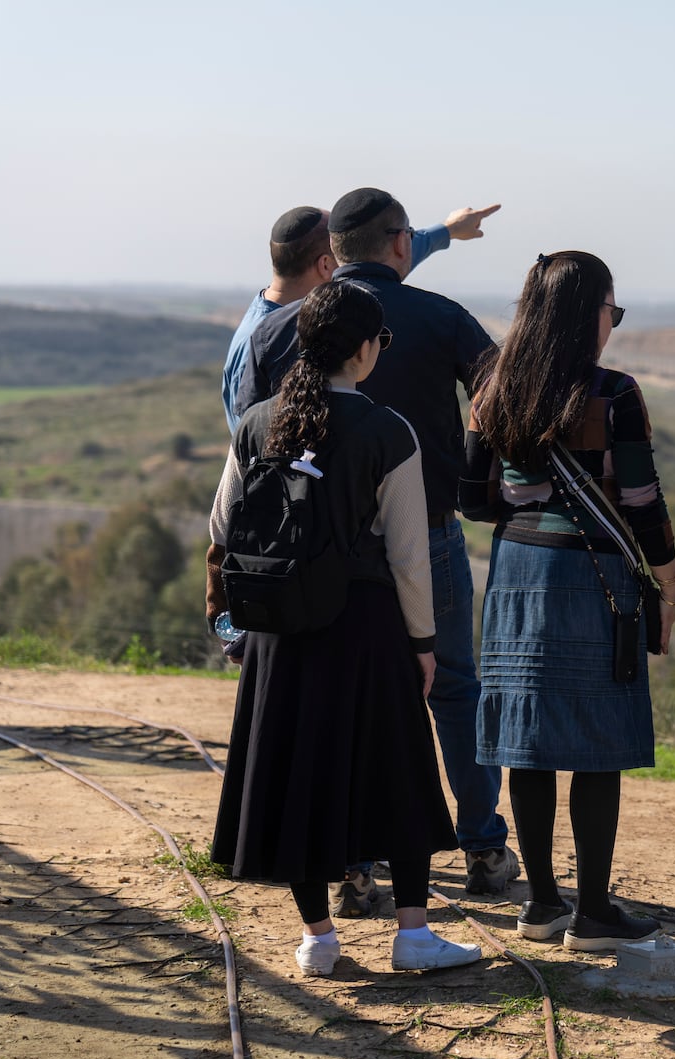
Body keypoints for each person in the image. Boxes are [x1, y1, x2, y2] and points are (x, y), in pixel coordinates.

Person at [237, 188, 520, 906]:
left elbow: (253, 441)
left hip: (317, 554)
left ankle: (355, 865)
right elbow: (501, 401)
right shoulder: (441, 317)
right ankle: (484, 846)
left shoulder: (280, 330)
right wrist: (474, 475)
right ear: (400, 245)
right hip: (427, 532)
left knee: (340, 696)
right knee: (455, 689)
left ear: (335, 252)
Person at [205, 280, 480, 976]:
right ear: (364, 349)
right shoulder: (389, 431)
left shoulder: (258, 421)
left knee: (299, 773)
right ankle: (414, 933)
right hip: (365, 626)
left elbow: (220, 527)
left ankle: (319, 939)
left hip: (280, 631)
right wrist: (424, 645)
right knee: (397, 770)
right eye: (379, 340)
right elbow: (409, 555)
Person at [459, 250, 675, 951]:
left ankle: (543, 904)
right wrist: (668, 580)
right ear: (591, 313)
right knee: (596, 745)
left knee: (526, 739)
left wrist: (527, 503)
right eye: (613, 308)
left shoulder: (492, 387)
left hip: (516, 569)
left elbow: (470, 498)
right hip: (593, 576)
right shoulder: (615, 393)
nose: (614, 322)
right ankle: (593, 912)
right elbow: (642, 502)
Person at [221, 201, 500, 432]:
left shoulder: (268, 332)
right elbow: (501, 394)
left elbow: (250, 440)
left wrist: (447, 231)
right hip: (431, 498)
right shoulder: (444, 318)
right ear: (326, 262)